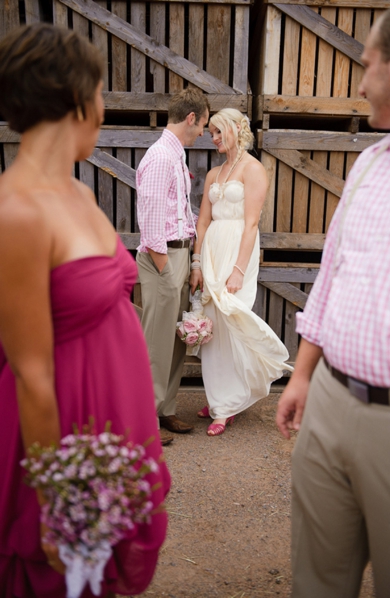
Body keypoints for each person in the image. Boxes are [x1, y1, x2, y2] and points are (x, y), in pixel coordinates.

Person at [0, 23, 170, 596]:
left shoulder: (79, 192)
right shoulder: (16, 212)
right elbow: (32, 372)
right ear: (76, 96)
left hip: (108, 428)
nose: (103, 109)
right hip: (62, 443)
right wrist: (60, 500)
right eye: (99, 93)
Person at [275, 7, 390, 597]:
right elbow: (331, 273)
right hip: (328, 399)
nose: (360, 81)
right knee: (317, 579)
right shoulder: (370, 164)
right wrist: (302, 375)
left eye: (368, 65)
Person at [191, 108, 291, 436]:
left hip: (238, 251)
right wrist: (196, 262)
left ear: (235, 129)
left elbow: (251, 224)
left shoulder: (253, 169)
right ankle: (220, 398)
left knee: (232, 320)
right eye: (212, 134)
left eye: (219, 132)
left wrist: (238, 269)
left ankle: (227, 405)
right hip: (211, 252)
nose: (214, 138)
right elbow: (203, 222)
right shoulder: (213, 175)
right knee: (212, 325)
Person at [136, 87, 210, 445]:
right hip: (161, 258)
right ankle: (145, 419)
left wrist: (193, 261)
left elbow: (179, 213)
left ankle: (165, 410)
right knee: (157, 342)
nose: (203, 134)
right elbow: (150, 221)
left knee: (177, 340)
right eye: (203, 125)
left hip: (179, 255)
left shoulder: (175, 157)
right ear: (191, 118)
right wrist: (166, 267)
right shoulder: (161, 157)